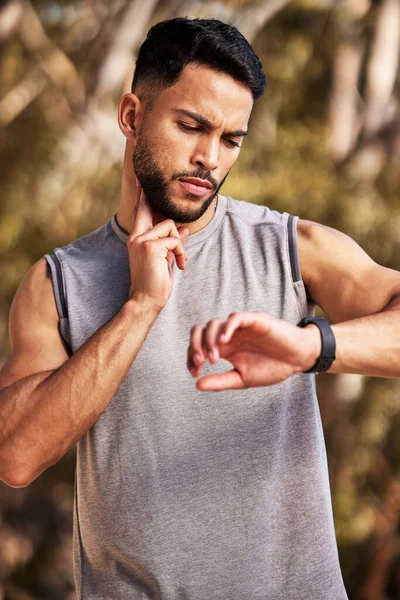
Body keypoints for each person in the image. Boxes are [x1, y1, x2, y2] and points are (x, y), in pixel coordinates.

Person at [0, 15, 399, 600]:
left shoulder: (292, 249)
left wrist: (312, 346)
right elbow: (15, 457)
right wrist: (140, 306)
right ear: (131, 116)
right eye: (192, 127)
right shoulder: (57, 283)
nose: (211, 158)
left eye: (231, 139)